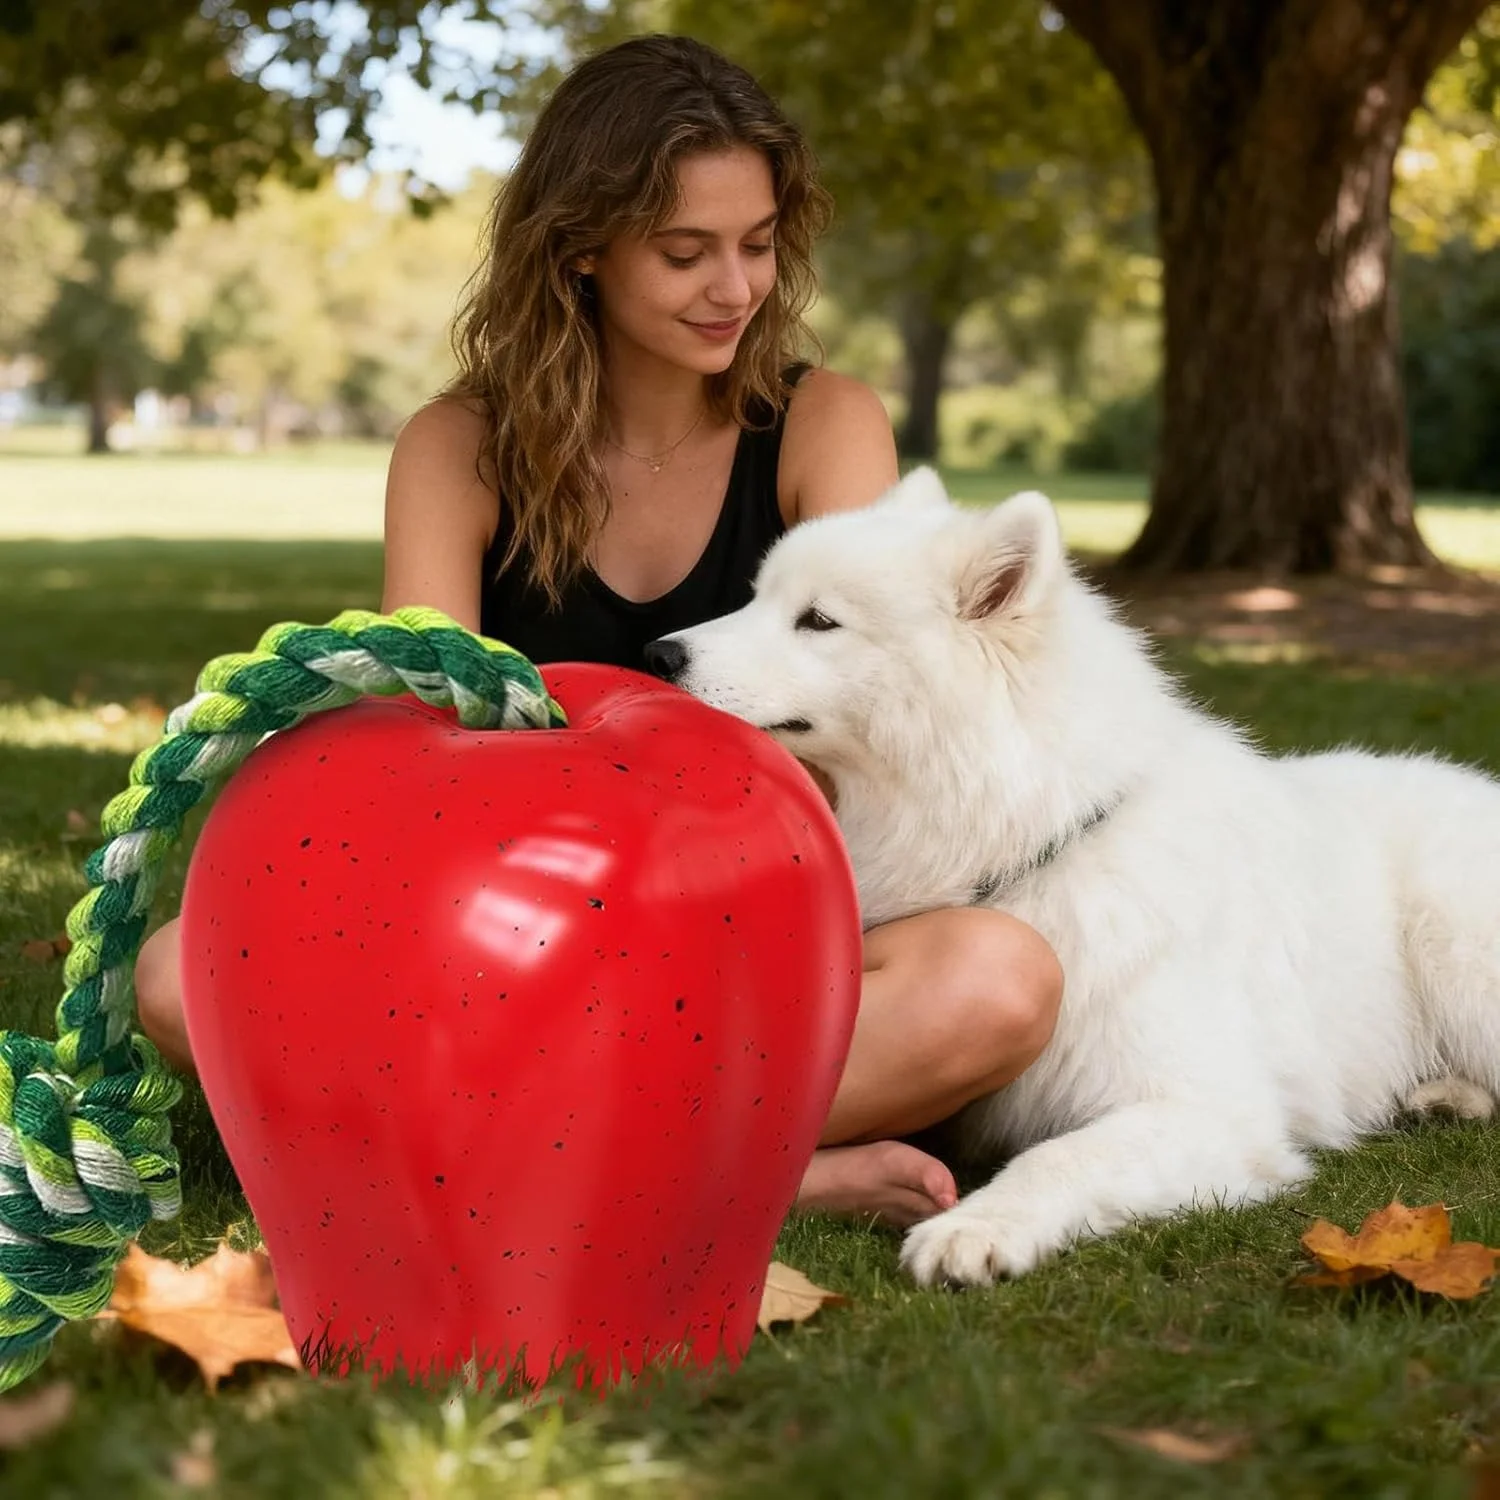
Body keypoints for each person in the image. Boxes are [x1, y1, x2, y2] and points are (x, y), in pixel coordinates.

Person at [135, 33, 1062, 1229]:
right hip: (509, 937)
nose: (737, 289)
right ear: (583, 250)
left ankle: (502, 1159)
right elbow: (425, 765)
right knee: (180, 973)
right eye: (686, 253)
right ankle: (745, 1175)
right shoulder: (457, 448)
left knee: (999, 980)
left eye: (759, 245)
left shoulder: (826, 425)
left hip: (745, 933)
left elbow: (856, 751)